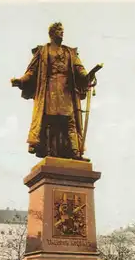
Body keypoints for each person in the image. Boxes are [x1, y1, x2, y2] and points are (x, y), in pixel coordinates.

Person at [11, 22, 95, 160]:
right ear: (52, 34)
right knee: (50, 121)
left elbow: (80, 69)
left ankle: (76, 153)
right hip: (49, 90)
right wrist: (21, 81)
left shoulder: (70, 52)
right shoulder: (43, 51)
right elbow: (32, 71)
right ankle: (50, 152)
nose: (62, 33)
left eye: (63, 31)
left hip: (66, 91)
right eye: (59, 31)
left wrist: (88, 76)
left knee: (70, 121)